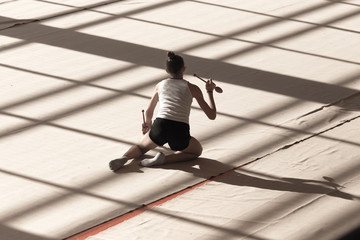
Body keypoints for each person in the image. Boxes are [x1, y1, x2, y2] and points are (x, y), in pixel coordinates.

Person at [109, 51, 217, 171]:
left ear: (167, 70)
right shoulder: (193, 88)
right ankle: (164, 159)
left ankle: (124, 158)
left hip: (161, 124)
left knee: (140, 147)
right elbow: (212, 115)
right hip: (180, 129)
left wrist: (148, 125)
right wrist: (209, 91)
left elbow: (149, 111)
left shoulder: (160, 85)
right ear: (184, 68)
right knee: (196, 151)